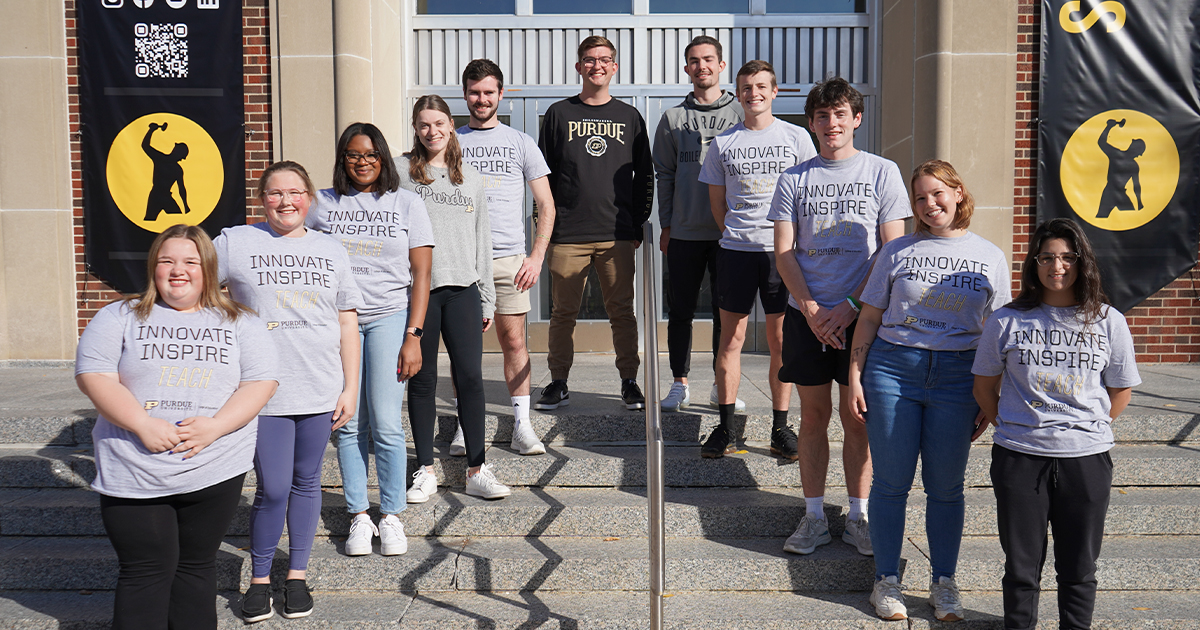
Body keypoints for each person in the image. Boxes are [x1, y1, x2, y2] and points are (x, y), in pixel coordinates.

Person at [75, 224, 277, 630]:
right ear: (154, 267)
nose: (177, 270)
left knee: (196, 570)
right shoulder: (119, 315)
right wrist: (141, 423)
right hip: (134, 466)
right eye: (167, 260)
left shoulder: (241, 321)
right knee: (146, 572)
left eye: (190, 261)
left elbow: (261, 382)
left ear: (208, 268)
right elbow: (93, 374)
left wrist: (216, 427)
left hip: (214, 466)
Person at [846, 160, 1011, 621]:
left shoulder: (989, 256)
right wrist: (856, 375)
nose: (929, 203)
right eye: (919, 197)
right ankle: (887, 583)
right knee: (891, 482)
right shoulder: (897, 251)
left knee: (945, 487)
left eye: (937, 193)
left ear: (958, 193)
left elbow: (996, 333)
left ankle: (944, 583)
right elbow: (870, 319)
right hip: (893, 370)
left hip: (960, 376)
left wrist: (989, 394)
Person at [214, 161, 363, 622]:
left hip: (319, 386)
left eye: (296, 192)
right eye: (276, 193)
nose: (286, 202)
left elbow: (347, 320)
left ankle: (296, 575)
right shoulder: (236, 241)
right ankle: (260, 579)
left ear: (309, 198)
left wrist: (350, 387)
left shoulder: (331, 250)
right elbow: (193, 286)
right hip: (263, 390)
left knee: (306, 481)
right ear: (262, 198)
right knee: (273, 486)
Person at [973, 217, 1139, 630]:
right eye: (1047, 257)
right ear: (1034, 263)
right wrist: (1017, 426)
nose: (1057, 266)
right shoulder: (1007, 320)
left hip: (1085, 461)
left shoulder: (1107, 321)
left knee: (1080, 568)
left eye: (1067, 257)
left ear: (1082, 262)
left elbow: (1120, 392)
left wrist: (1085, 427)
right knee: (1021, 569)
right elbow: (983, 387)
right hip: (1020, 459)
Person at [771, 76, 910, 557]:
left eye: (840, 114)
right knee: (812, 417)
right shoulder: (794, 178)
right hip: (806, 316)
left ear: (857, 118)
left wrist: (849, 306)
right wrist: (811, 309)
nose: (831, 123)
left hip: (863, 318)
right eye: (822, 116)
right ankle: (812, 517)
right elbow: (785, 253)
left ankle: (858, 515)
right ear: (810, 123)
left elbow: (891, 248)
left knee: (857, 418)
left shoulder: (882, 172)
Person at [308, 122, 435, 558]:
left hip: (388, 319)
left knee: (384, 421)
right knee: (346, 422)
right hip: (335, 323)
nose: (362, 162)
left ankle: (392, 515)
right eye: (353, 155)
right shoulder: (321, 204)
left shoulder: (407, 202)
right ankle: (359, 516)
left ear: (383, 157)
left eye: (370, 154)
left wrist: (413, 335)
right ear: (343, 158)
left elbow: (422, 274)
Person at [697, 59, 817, 460]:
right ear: (738, 92)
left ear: (775, 91)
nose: (754, 94)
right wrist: (737, 233)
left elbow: (807, 198)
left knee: (779, 340)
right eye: (746, 87)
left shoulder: (797, 137)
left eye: (762, 86)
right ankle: (726, 427)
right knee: (729, 340)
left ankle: (781, 427)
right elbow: (718, 204)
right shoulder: (724, 143)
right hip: (736, 252)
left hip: (782, 254)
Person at [399, 94, 511, 502]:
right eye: (424, 124)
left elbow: (483, 240)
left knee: (470, 379)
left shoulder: (472, 178)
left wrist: (487, 298)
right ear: (416, 128)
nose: (432, 131)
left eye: (439, 123)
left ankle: (477, 469)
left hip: (463, 290)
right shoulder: (400, 173)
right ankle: (425, 469)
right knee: (423, 379)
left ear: (451, 125)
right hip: (420, 295)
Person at [535, 34, 654, 412]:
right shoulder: (558, 114)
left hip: (616, 233)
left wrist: (636, 225)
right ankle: (558, 381)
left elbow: (645, 176)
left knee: (622, 312)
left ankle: (629, 381)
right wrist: (548, 227)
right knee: (562, 314)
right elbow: (543, 176)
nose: (597, 65)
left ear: (614, 67)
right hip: (568, 233)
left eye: (604, 60)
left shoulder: (629, 116)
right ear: (578, 66)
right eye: (589, 59)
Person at [455, 58, 555, 456]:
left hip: (509, 260)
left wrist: (535, 257)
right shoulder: (451, 142)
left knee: (513, 341)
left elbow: (546, 205)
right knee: (465, 347)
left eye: (488, 92)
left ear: (501, 94)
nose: (482, 99)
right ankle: (467, 426)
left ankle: (522, 425)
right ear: (465, 94)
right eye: (475, 93)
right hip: (461, 262)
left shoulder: (520, 142)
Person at [652, 35, 745, 413]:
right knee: (681, 312)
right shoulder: (673, 119)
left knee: (727, 313)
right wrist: (667, 224)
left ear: (721, 65)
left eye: (708, 59)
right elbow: (665, 173)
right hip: (686, 231)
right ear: (687, 68)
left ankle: (723, 383)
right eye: (694, 60)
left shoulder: (741, 114)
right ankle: (679, 382)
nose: (701, 66)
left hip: (731, 234)